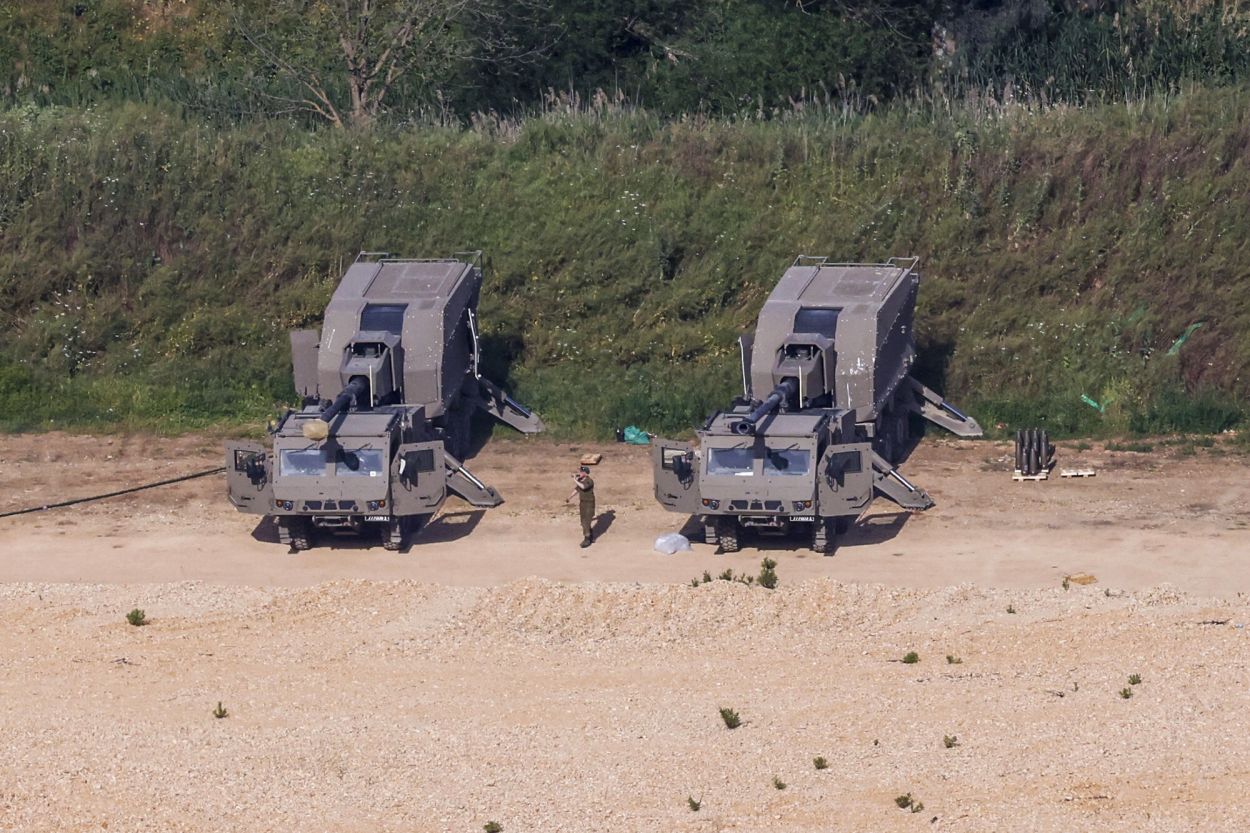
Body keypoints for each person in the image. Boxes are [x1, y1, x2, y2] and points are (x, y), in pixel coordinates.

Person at [565, 466, 596, 548]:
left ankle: (587, 539)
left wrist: (575, 479)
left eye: (581, 472)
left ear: (585, 473)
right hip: (582, 503)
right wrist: (569, 497)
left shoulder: (589, 481)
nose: (579, 473)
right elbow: (577, 489)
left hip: (589, 504)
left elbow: (583, 487)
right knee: (583, 521)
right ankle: (591, 535)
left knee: (586, 521)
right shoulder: (581, 481)